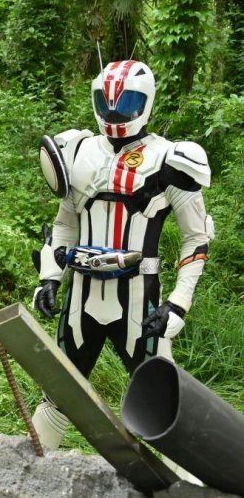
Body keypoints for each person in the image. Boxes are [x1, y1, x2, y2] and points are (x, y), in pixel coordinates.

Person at [32, 59, 213, 448]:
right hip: (81, 295)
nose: (115, 111)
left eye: (126, 101)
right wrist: (50, 277)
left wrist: (178, 303)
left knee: (163, 402)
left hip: (138, 297)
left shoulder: (172, 158)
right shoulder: (76, 150)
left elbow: (196, 238)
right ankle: (29, 473)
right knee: (57, 393)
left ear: (146, 101)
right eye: (106, 101)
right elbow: (65, 223)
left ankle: (190, 478)